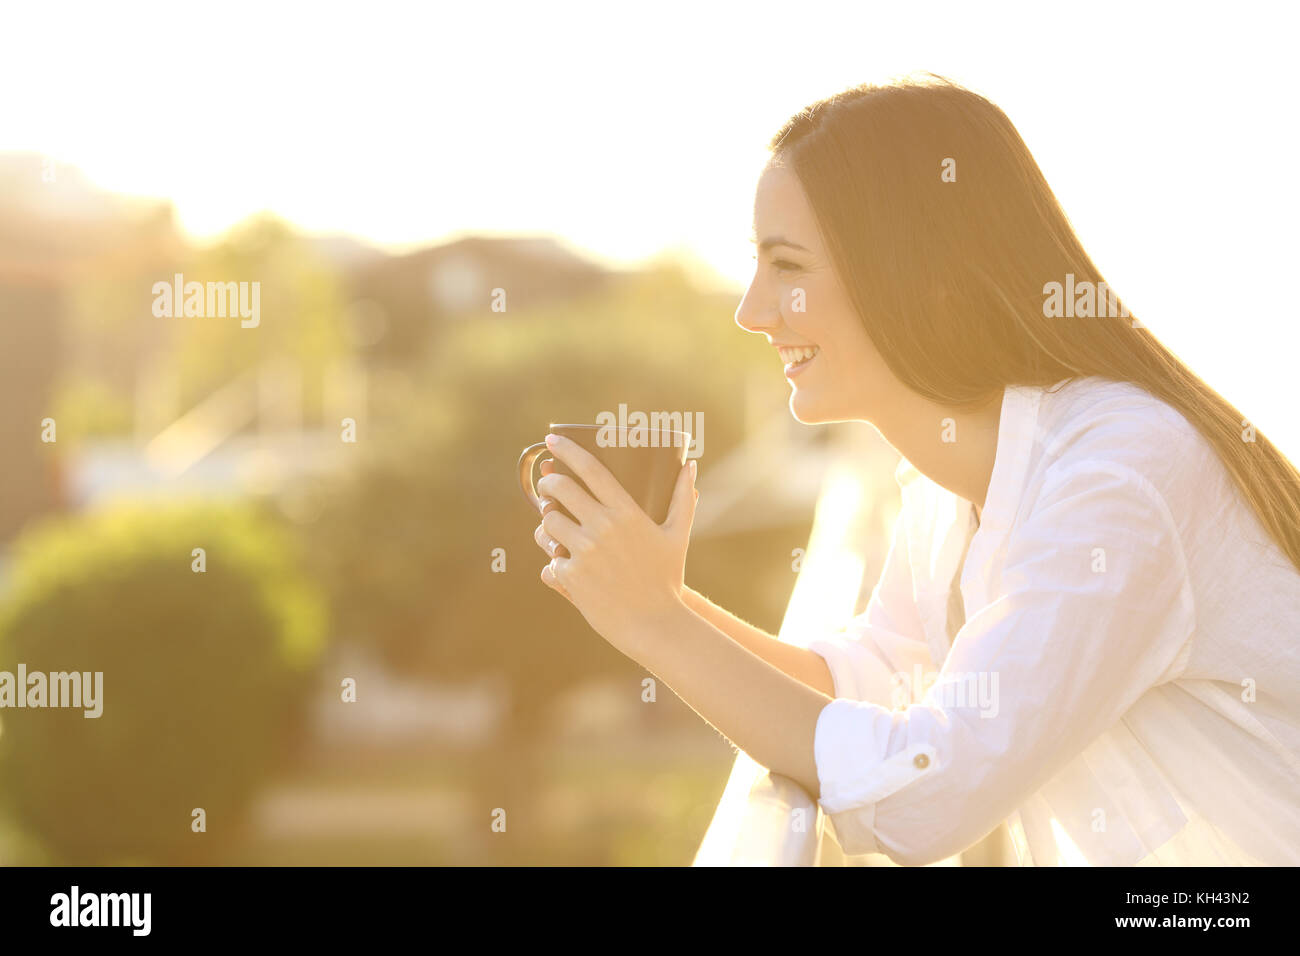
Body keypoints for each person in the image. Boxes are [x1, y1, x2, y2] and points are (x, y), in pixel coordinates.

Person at [530, 75, 1300, 866]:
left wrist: (656, 624)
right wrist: (658, 598)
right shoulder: (947, 486)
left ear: (917, 274)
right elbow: (871, 681)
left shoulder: (1119, 478)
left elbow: (922, 804)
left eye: (787, 266)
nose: (752, 311)